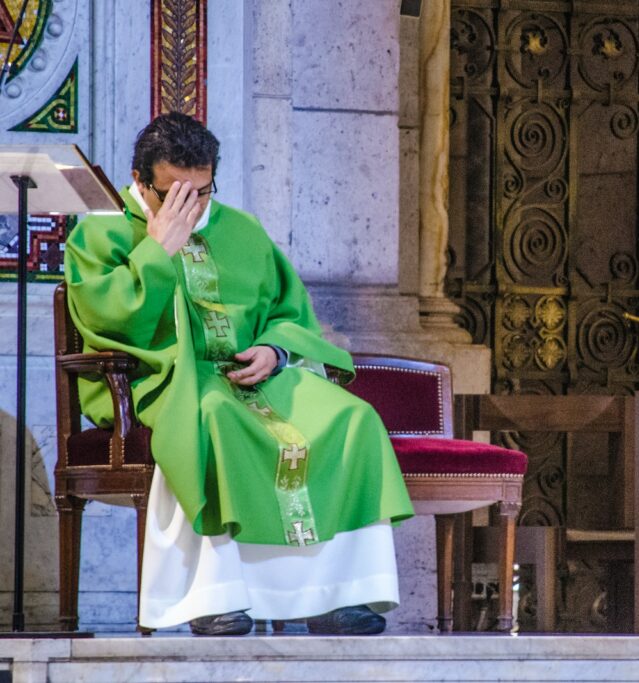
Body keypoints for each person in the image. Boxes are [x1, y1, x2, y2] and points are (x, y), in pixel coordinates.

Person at [63, 112, 414, 636]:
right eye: (175, 195)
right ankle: (216, 597)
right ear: (140, 181)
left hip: (259, 377)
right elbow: (107, 316)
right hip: (164, 381)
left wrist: (275, 349)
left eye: (202, 193)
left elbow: (288, 310)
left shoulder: (243, 230)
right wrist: (159, 248)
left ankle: (336, 594)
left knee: (352, 417)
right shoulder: (100, 234)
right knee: (216, 418)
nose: (192, 208)